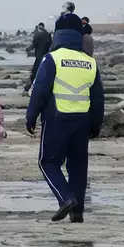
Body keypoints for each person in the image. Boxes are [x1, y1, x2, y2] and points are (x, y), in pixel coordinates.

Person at [25, 13, 105, 222]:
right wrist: (96, 124)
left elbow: (40, 90)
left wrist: (31, 117)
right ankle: (77, 212)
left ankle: (66, 198)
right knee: (78, 166)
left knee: (48, 162)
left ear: (57, 33)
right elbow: (97, 98)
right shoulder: (90, 62)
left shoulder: (52, 59)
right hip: (82, 121)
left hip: (57, 118)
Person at [28, 23, 53, 89]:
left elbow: (34, 43)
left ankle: (33, 85)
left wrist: (29, 48)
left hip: (39, 54)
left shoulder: (38, 34)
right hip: (46, 55)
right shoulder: (47, 34)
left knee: (35, 70)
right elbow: (50, 44)